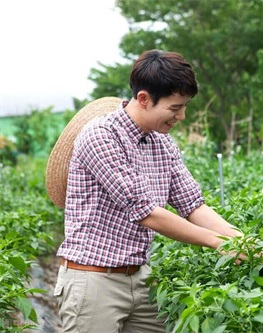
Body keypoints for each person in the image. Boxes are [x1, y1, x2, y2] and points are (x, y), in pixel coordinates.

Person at [46, 50, 245, 332]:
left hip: (141, 279)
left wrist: (243, 242)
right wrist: (219, 243)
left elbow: (193, 206)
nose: (182, 116)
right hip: (94, 281)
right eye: (175, 108)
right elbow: (147, 213)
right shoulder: (101, 136)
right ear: (143, 99)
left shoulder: (163, 144)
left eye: (184, 106)